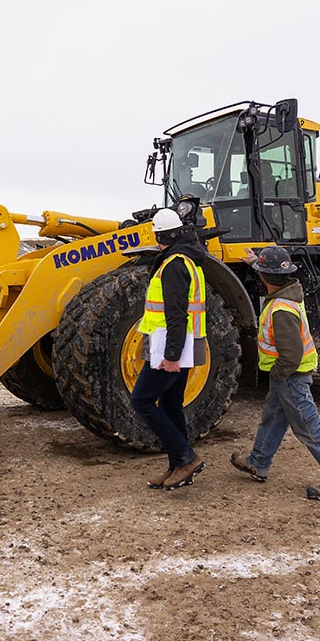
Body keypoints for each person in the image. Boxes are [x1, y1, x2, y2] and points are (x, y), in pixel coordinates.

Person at [230, 246, 320, 501]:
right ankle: (258, 461)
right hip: (288, 375)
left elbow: (291, 354)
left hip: (290, 375)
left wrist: (278, 373)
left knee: (309, 427)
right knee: (273, 418)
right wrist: (257, 262)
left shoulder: (281, 310)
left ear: (265, 278)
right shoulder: (286, 293)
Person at [130, 208, 210, 491]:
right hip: (181, 343)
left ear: (158, 235)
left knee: (140, 400)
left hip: (172, 345)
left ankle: (186, 458)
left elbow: (176, 315)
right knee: (170, 404)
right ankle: (178, 464)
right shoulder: (186, 260)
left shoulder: (174, 265)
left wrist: (172, 356)